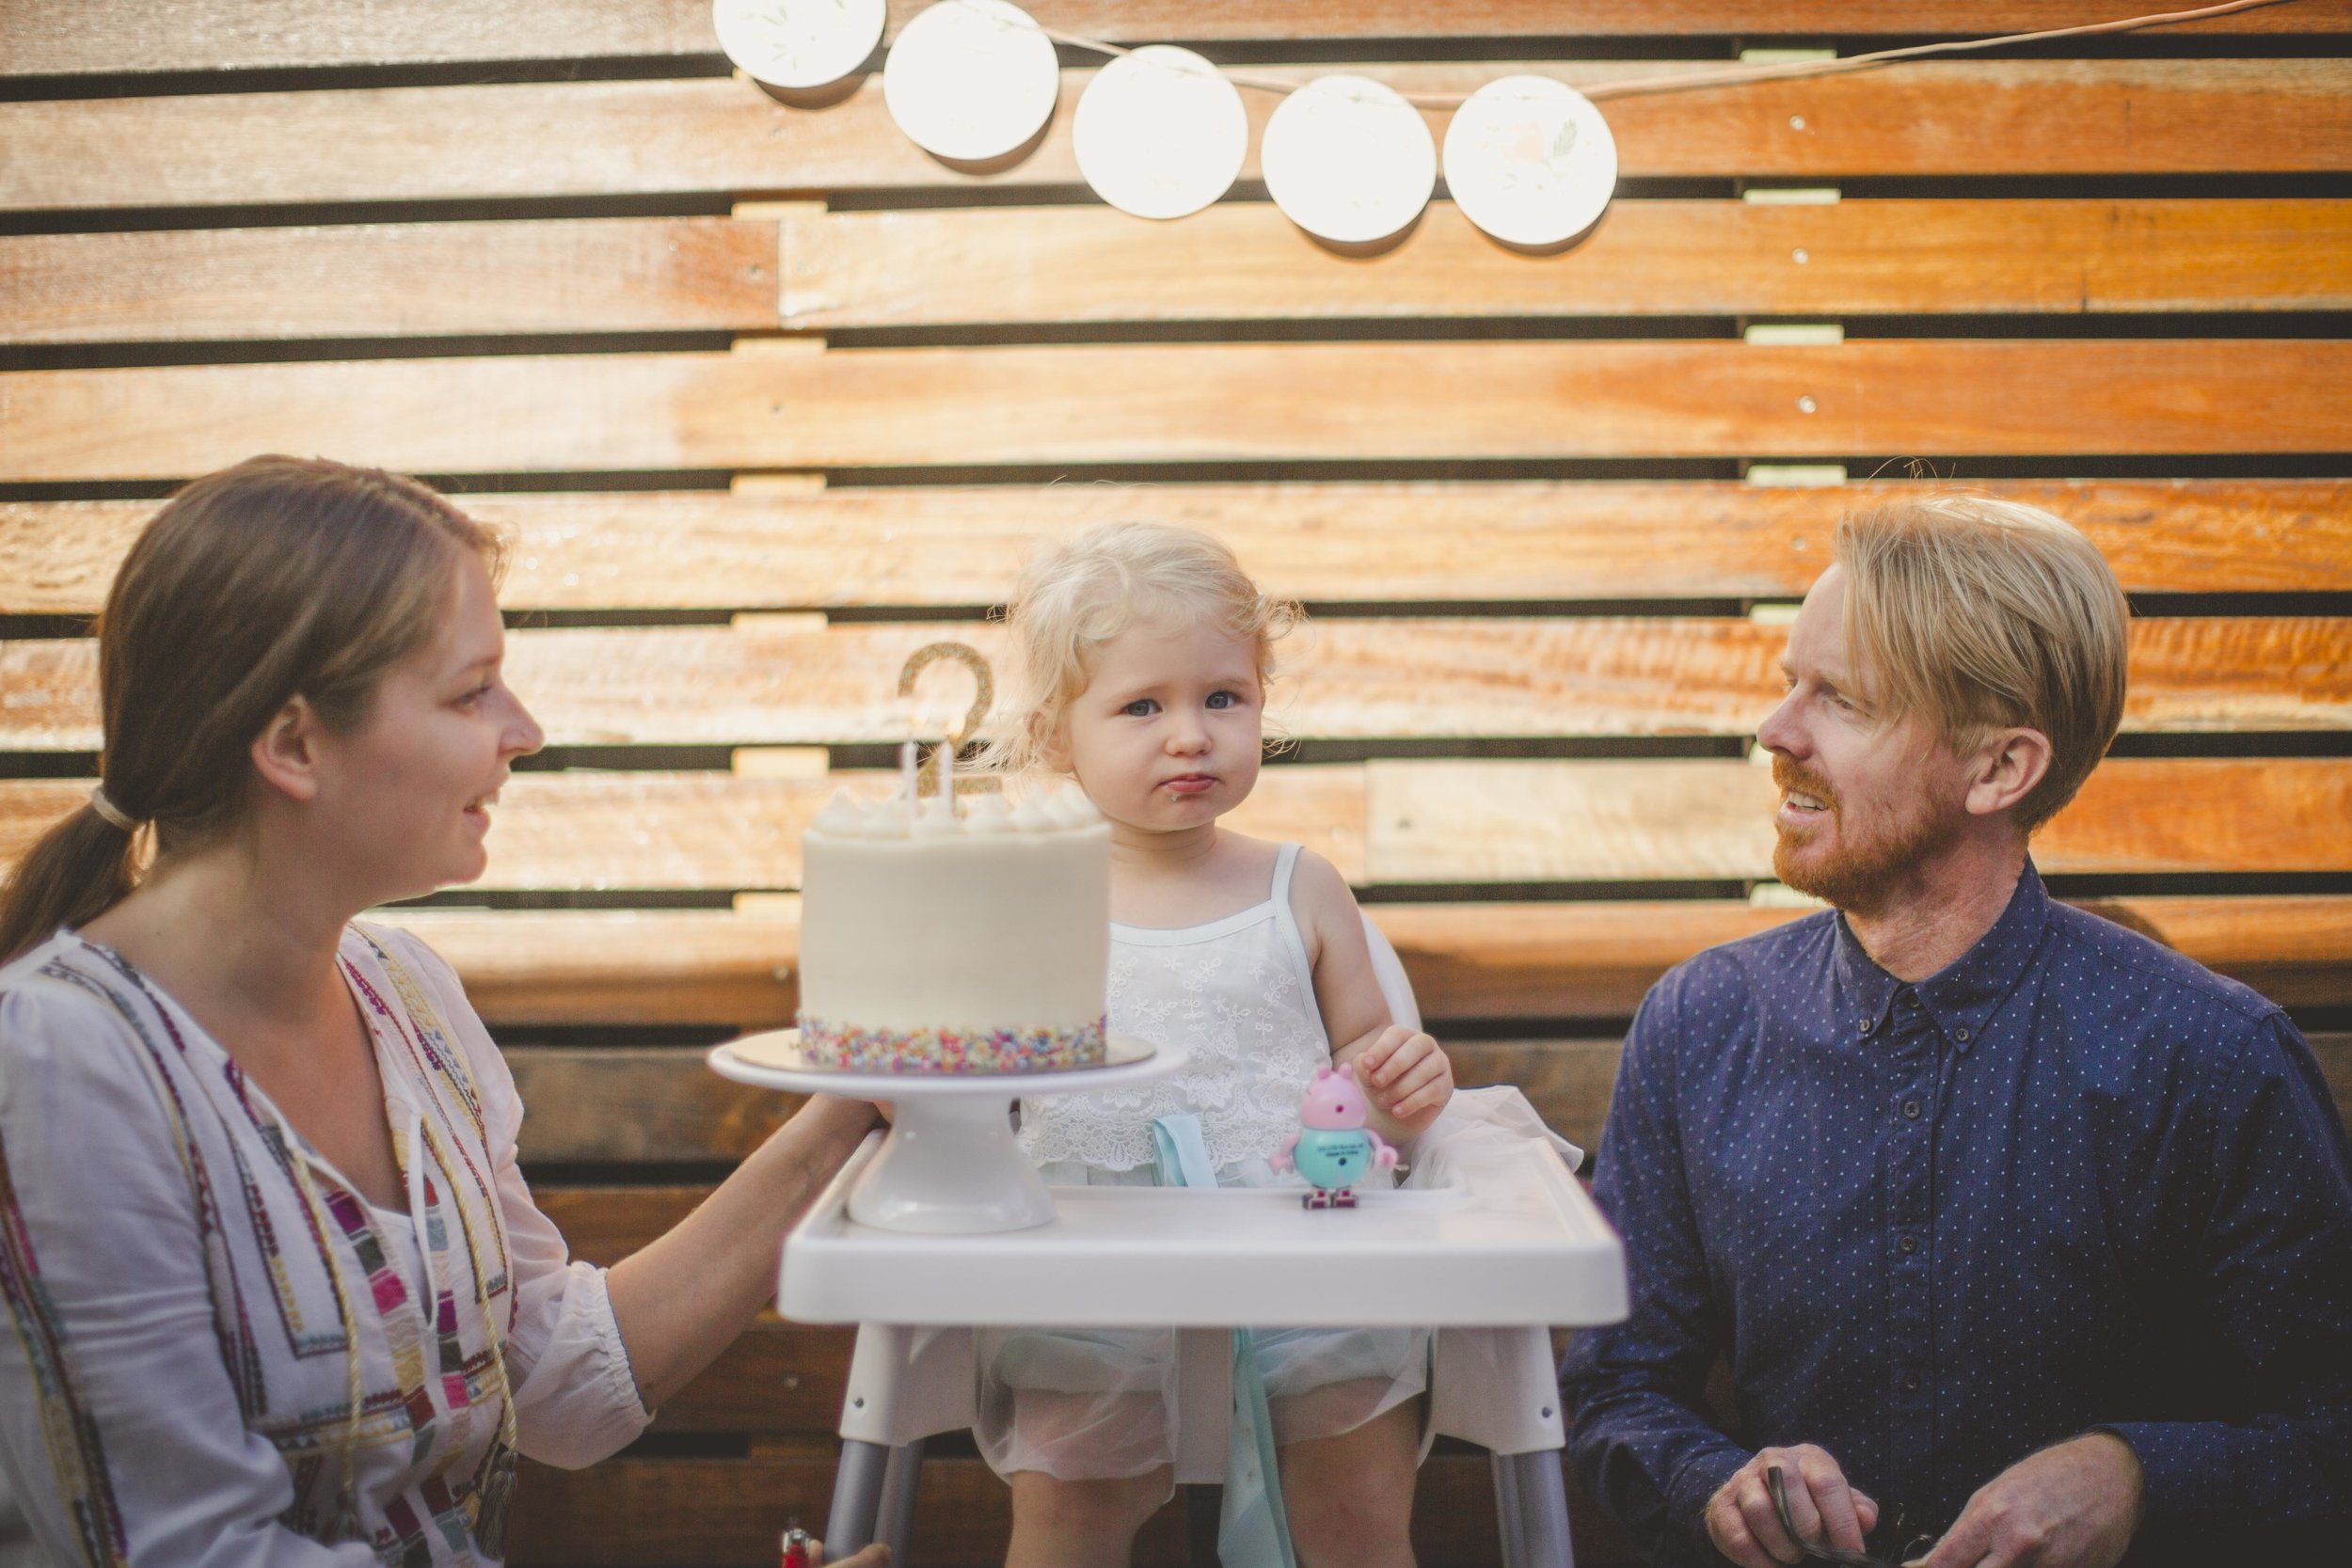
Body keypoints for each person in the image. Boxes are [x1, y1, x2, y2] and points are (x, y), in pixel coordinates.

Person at [0, 456, 887, 1568]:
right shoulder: (54, 1064)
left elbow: (550, 1380)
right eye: (473, 691)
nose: (525, 728)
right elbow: (192, 1551)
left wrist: (861, 1103)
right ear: (293, 744)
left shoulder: (403, 989)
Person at [1559, 495, 2352, 1567]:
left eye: (1840, 699)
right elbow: (1613, 1382)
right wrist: (1716, 1487)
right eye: (1790, 680)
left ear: (1997, 770)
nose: (1776, 730)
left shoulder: (2209, 1056)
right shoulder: (1699, 1024)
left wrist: (2131, 1473)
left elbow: (2326, 1426)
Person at [970, 522, 1456, 1568]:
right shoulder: (1034, 897)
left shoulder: (1301, 885)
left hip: (1302, 1262)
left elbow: (1366, 1065)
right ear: (1058, 733)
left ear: (1261, 701)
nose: (1188, 734)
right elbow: (980, 1083)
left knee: (1358, 1510)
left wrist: (1399, 1082)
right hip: (1093, 1273)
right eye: (1141, 705)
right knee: (1064, 1518)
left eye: (1220, 697)